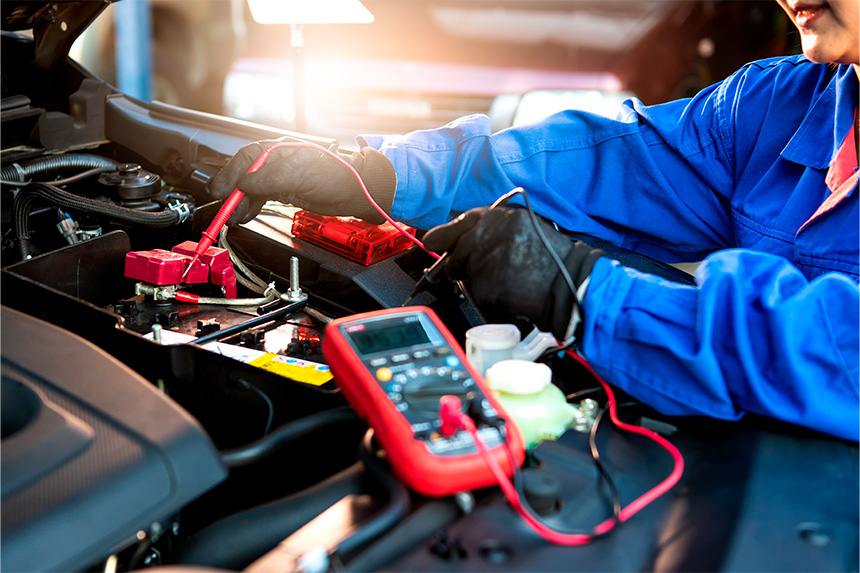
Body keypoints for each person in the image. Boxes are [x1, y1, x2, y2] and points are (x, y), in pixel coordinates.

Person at [209, 0, 859, 441]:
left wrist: (584, 293)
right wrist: (379, 173)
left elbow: (838, 347)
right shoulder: (782, 104)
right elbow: (602, 161)